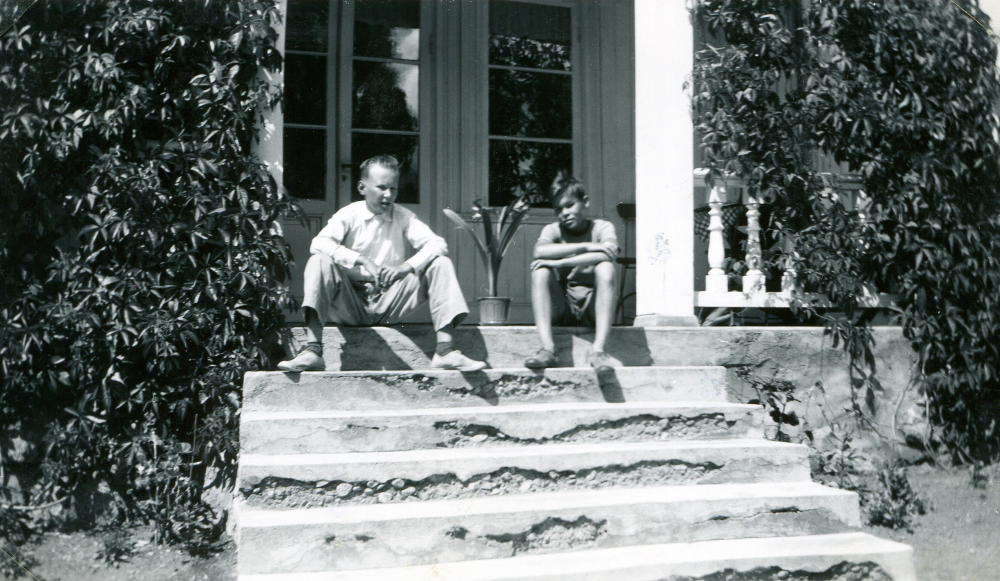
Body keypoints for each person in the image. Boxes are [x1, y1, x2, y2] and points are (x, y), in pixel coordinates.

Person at [277, 155, 487, 372]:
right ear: (362, 187)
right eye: (381, 187)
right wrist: (361, 260)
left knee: (440, 263)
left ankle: (445, 351)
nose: (388, 195)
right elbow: (319, 243)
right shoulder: (349, 215)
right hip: (351, 304)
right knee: (319, 260)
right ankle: (313, 350)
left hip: (389, 300)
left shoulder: (404, 217)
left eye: (393, 189)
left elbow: (438, 244)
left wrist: (404, 268)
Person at [524, 173, 618, 372]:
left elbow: (608, 253)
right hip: (564, 304)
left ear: (585, 202)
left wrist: (562, 262)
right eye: (558, 209)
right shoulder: (553, 229)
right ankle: (547, 349)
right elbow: (539, 252)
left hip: (594, 304)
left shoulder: (602, 227)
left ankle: (598, 351)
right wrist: (586, 247)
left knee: (606, 268)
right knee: (540, 271)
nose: (564, 213)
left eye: (569, 205)